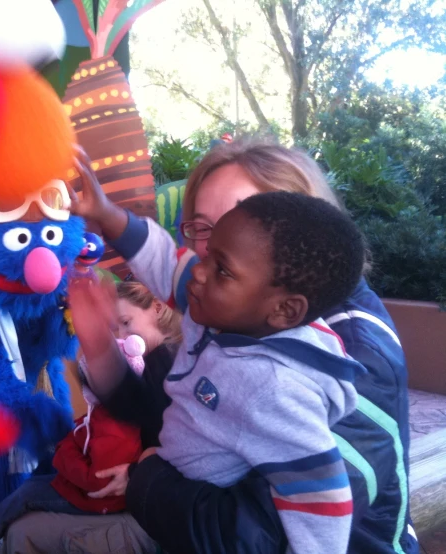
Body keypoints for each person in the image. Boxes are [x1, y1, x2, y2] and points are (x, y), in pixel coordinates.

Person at [4, 139, 417, 554]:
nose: (200, 260)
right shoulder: (232, 306)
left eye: (235, 224)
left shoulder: (309, 372)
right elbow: (169, 268)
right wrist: (107, 223)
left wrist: (147, 478)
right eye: (203, 229)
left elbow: (290, 520)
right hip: (175, 506)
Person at [75, 191, 367, 554]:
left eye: (222, 269)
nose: (198, 269)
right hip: (167, 495)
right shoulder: (230, 313)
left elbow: (321, 501)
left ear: (285, 310)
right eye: (208, 254)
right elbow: (169, 265)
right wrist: (107, 213)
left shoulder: (274, 390)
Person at [0, 282, 182, 554]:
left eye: (126, 323)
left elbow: (117, 442)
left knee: (33, 492)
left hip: (116, 488)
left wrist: (65, 455)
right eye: (117, 328)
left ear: (158, 309)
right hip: (121, 480)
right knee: (34, 492)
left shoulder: (163, 368)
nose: (123, 335)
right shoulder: (150, 362)